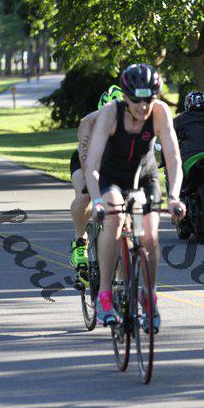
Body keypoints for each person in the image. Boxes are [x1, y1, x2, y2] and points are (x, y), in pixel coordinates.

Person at [84, 63, 185, 330]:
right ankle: (105, 295)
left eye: (149, 99)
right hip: (112, 178)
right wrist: (96, 201)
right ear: (126, 98)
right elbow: (92, 164)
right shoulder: (110, 113)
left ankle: (149, 295)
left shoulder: (160, 112)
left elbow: (173, 158)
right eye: (137, 100)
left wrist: (174, 197)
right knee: (115, 219)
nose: (143, 106)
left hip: (145, 177)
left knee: (149, 236)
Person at [69, 85, 124, 285]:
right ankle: (80, 241)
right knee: (85, 195)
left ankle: (121, 283)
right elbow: (85, 160)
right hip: (86, 161)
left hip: (114, 163)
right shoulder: (89, 123)